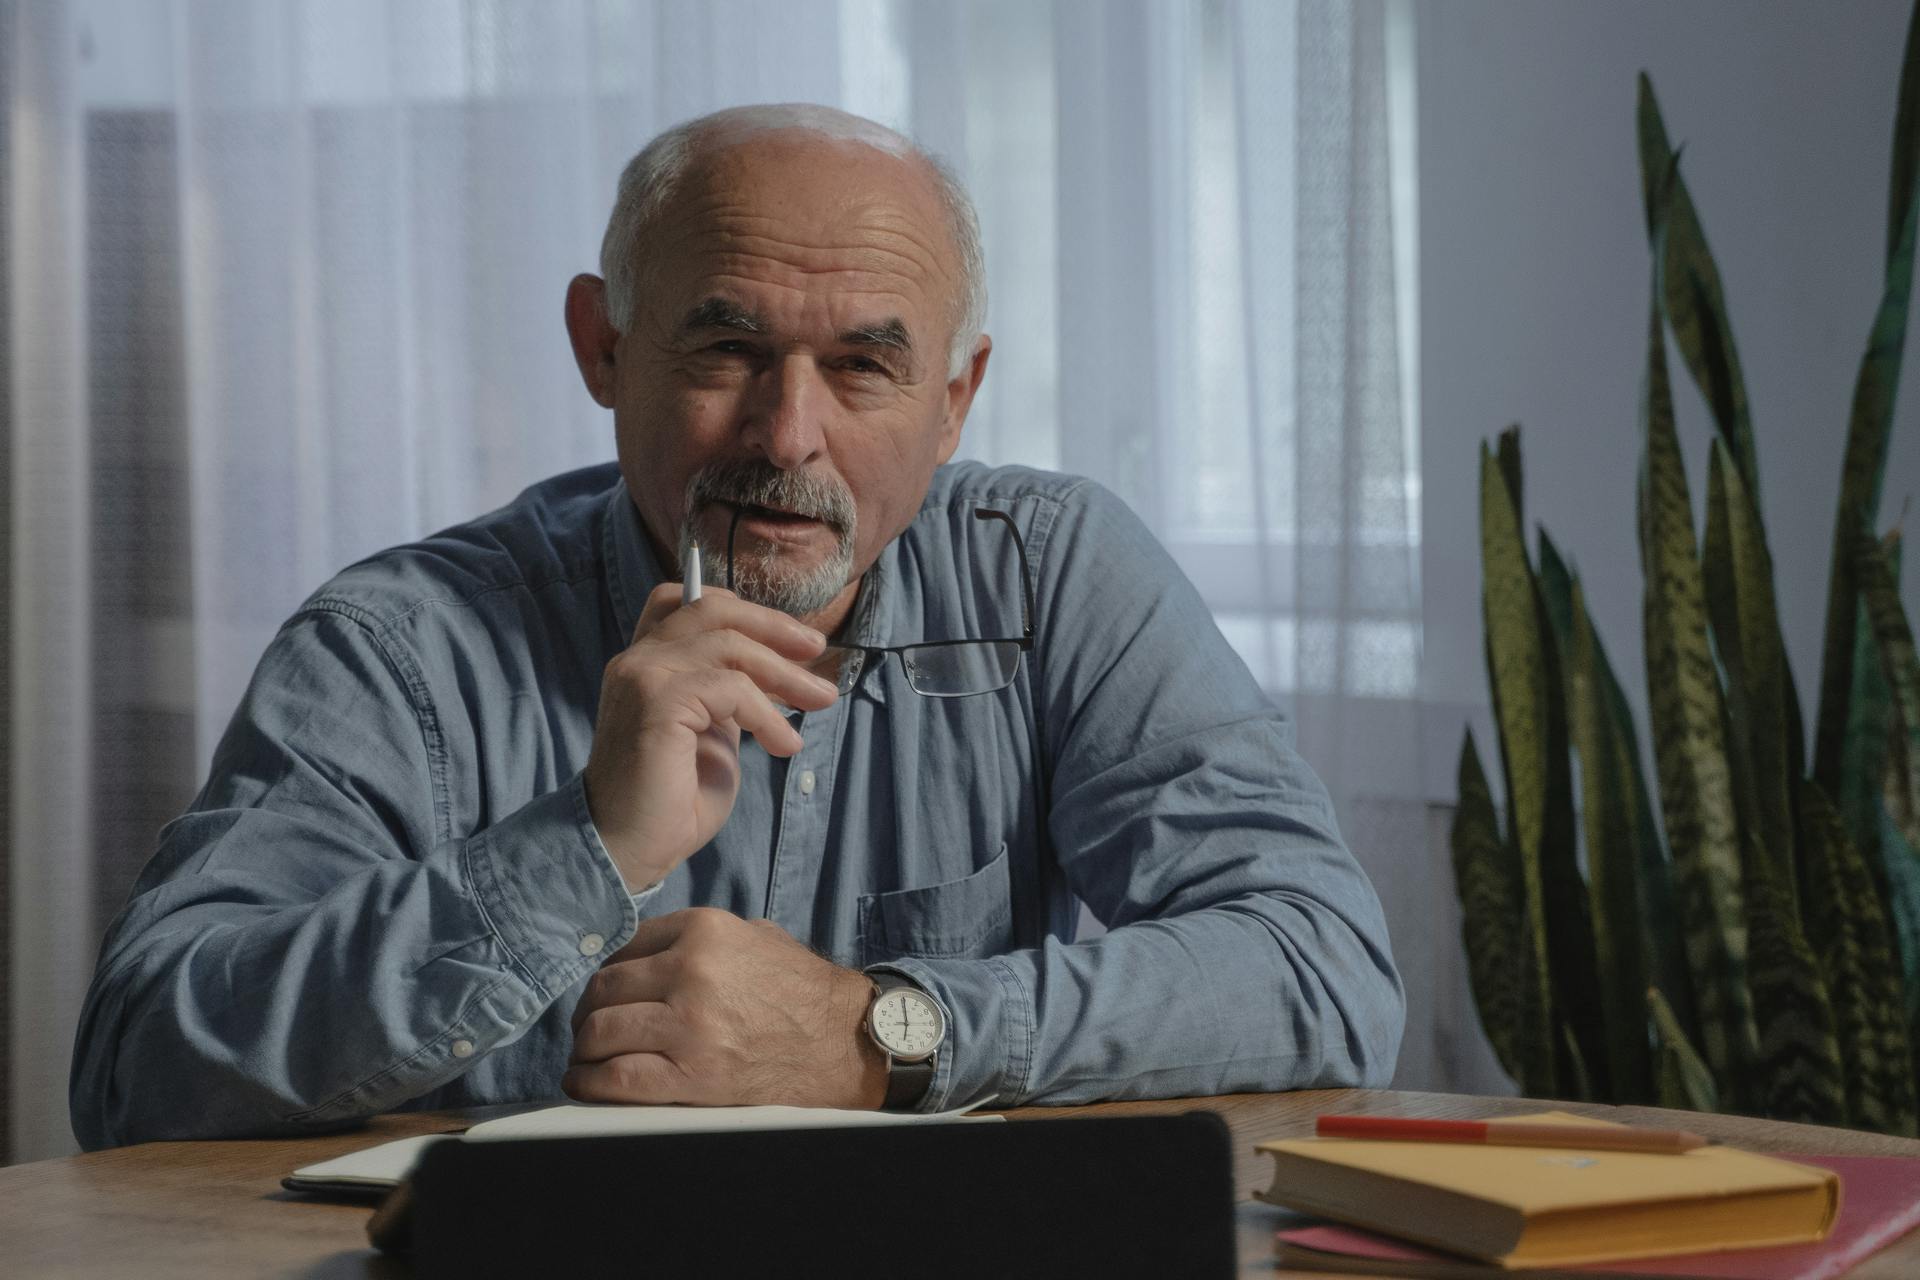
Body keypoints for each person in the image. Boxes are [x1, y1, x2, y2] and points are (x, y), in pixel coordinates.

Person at [69, 104, 1402, 1149]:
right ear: (604, 347)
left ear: (956, 395)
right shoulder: (403, 645)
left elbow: (1326, 971)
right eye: (725, 351)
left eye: (864, 366)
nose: (786, 437)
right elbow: (138, 1071)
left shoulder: (1053, 581)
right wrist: (584, 847)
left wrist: (878, 1035)